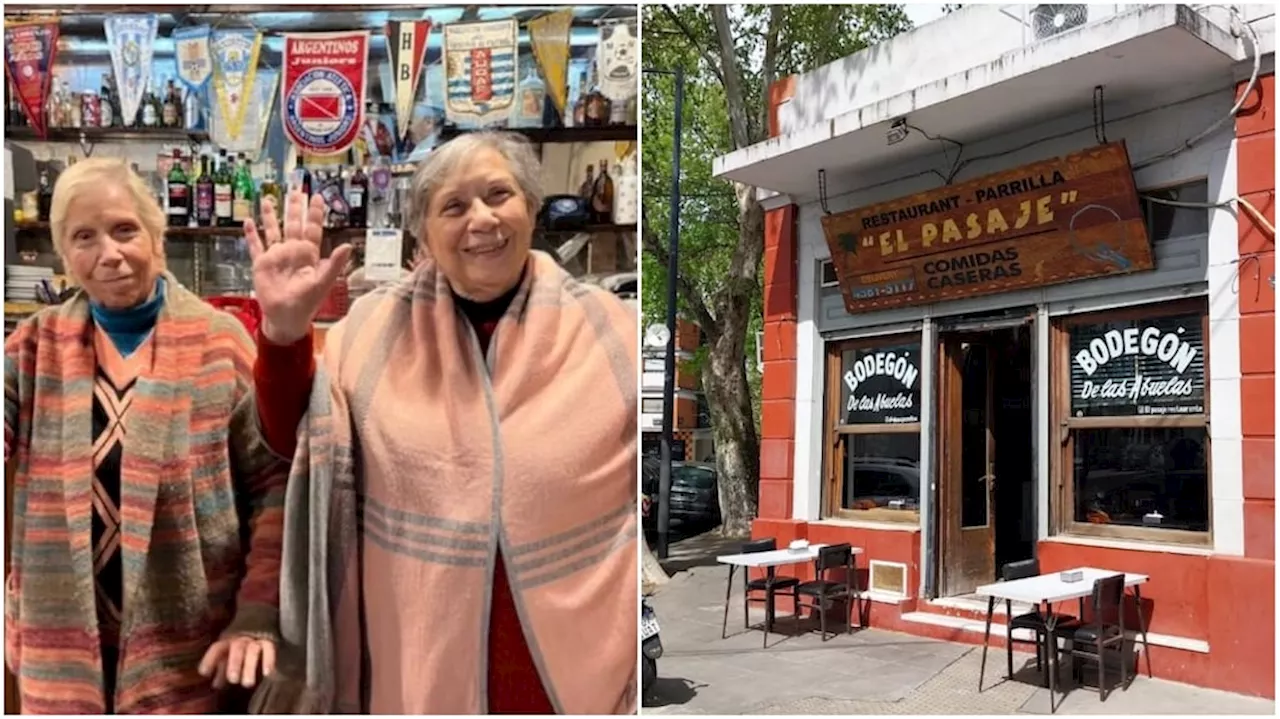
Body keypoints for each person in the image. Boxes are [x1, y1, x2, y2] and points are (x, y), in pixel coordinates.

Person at [246, 132, 637, 714]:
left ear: (530, 209)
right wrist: (283, 334)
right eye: (453, 206)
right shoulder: (372, 329)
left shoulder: (611, 330)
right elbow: (292, 445)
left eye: (498, 195)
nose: (481, 219)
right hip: (416, 670)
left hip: (574, 679)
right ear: (424, 234)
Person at [3, 158, 287, 713]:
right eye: (84, 237)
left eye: (124, 229)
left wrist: (258, 611)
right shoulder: (34, 346)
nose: (108, 253)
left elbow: (273, 487)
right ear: (65, 255)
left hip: (192, 648)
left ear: (157, 235)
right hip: (55, 644)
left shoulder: (219, 342)